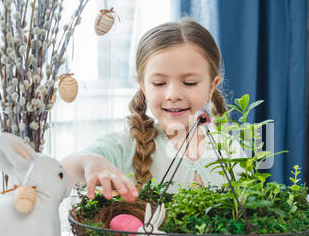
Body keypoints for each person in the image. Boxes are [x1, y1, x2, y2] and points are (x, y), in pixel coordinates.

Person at [61, 17, 244, 203]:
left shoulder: (230, 150)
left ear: (212, 87)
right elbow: (63, 170)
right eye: (159, 83)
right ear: (143, 86)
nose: (173, 94)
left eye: (189, 83)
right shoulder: (125, 147)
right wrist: (90, 162)